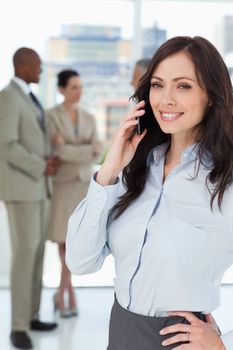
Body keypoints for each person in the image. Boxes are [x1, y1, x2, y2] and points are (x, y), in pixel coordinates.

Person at [65, 35, 233, 350]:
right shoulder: (135, 169)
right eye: (158, 85)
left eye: (183, 86)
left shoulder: (225, 181)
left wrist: (223, 343)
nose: (165, 99)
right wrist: (108, 172)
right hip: (121, 334)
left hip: (180, 341)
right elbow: (80, 261)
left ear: (211, 94)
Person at [0, 48, 59, 350]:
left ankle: (32, 315)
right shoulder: (8, 97)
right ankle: (18, 326)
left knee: (36, 255)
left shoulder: (32, 97)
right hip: (22, 190)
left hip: (39, 189)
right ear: (22, 65)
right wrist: (41, 165)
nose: (40, 68)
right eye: (37, 64)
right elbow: (6, 146)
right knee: (24, 257)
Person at [46, 69, 102, 318]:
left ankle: (63, 294)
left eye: (81, 87)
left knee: (74, 242)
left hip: (82, 187)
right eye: (73, 87)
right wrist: (82, 150)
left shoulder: (89, 116)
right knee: (63, 241)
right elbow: (58, 153)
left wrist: (69, 149)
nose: (79, 92)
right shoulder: (50, 117)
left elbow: (97, 151)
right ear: (61, 89)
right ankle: (66, 294)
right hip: (62, 186)